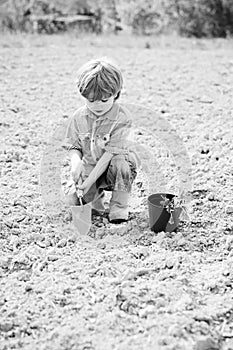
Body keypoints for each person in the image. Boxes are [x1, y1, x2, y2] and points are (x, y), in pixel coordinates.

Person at [64, 57, 139, 224]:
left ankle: (119, 208)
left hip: (115, 166)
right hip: (91, 165)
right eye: (91, 100)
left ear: (116, 94)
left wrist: (89, 181)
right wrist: (76, 161)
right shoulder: (79, 117)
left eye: (104, 100)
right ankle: (96, 202)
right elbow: (73, 145)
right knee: (72, 201)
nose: (98, 105)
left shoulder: (122, 118)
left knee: (121, 164)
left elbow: (108, 156)